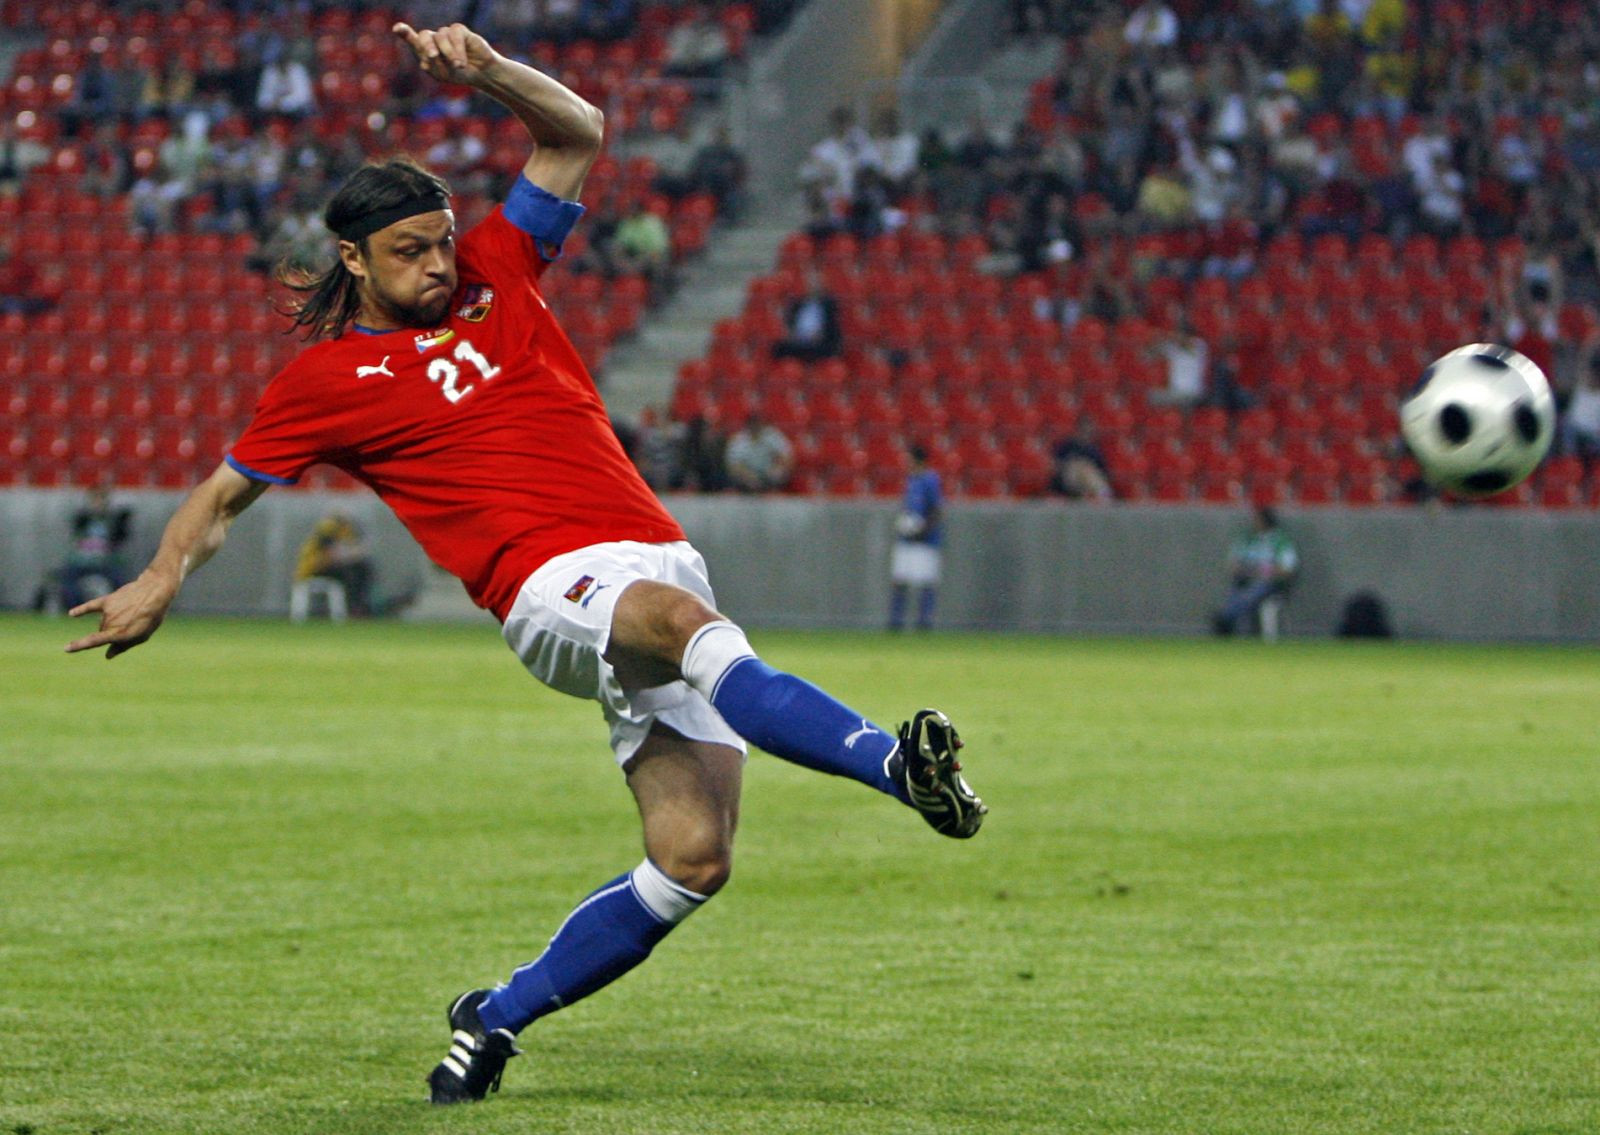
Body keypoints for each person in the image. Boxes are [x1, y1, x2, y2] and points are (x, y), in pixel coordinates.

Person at [64, 20, 984, 1108]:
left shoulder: (500, 267)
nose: (439, 261)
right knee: (691, 637)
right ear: (353, 260)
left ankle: (493, 1018)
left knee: (692, 858)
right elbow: (220, 499)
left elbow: (577, 134)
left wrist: (491, 70)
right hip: (548, 589)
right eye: (411, 250)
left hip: (649, 557)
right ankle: (898, 769)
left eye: (442, 239)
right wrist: (162, 577)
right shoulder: (323, 384)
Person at [1213, 505, 1300, 637]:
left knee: (1254, 592)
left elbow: (1288, 569)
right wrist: (1244, 571)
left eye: (1257, 519)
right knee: (1236, 592)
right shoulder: (1248, 539)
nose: (1254, 522)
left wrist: (1262, 572)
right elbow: (1233, 563)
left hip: (1271, 584)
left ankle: (1226, 619)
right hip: (1246, 580)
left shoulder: (1280, 541)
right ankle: (1227, 620)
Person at [887, 445, 943, 633]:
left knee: (926, 582)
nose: (905, 463)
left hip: (926, 541)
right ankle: (896, 622)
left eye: (908, 458)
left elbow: (936, 510)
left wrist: (922, 531)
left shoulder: (931, 480)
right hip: (906, 539)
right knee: (900, 580)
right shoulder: (911, 480)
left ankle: (924, 623)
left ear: (918, 460)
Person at [58, 486, 133, 611]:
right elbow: (76, 536)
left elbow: (122, 538)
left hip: (107, 561)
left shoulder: (114, 520)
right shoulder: (83, 519)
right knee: (67, 577)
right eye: (94, 500)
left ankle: (122, 609)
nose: (97, 504)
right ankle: (74, 607)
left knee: (120, 580)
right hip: (83, 561)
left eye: (100, 500)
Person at [294, 512, 377, 617]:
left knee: (363, 568)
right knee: (351, 572)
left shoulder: (343, 530)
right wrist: (351, 554)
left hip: (327, 567)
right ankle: (352, 607)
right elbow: (331, 555)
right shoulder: (328, 529)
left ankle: (358, 606)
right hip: (313, 571)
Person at [771, 266, 842, 362]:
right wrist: (793, 335)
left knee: (818, 349)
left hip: (820, 341)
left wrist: (819, 335)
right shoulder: (798, 303)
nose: (813, 286)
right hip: (799, 339)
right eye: (811, 283)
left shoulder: (829, 304)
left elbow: (832, 327)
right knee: (778, 348)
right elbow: (790, 323)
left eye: (817, 283)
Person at [723, 412, 795, 492]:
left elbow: (786, 457)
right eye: (753, 424)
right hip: (747, 476)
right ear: (748, 425)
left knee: (780, 474)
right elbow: (734, 465)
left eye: (757, 424)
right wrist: (748, 476)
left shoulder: (773, 435)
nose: (755, 427)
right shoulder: (738, 440)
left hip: (769, 474)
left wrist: (777, 469)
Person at [1049, 419, 1114, 501]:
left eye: (1088, 431)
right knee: (1077, 465)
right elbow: (1056, 464)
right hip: (1068, 479)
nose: (1086, 433)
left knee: (1088, 469)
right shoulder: (1067, 446)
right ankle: (1099, 495)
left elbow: (1102, 471)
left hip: (1089, 481)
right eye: (1083, 430)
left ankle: (1101, 496)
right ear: (1077, 430)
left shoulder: (1094, 450)